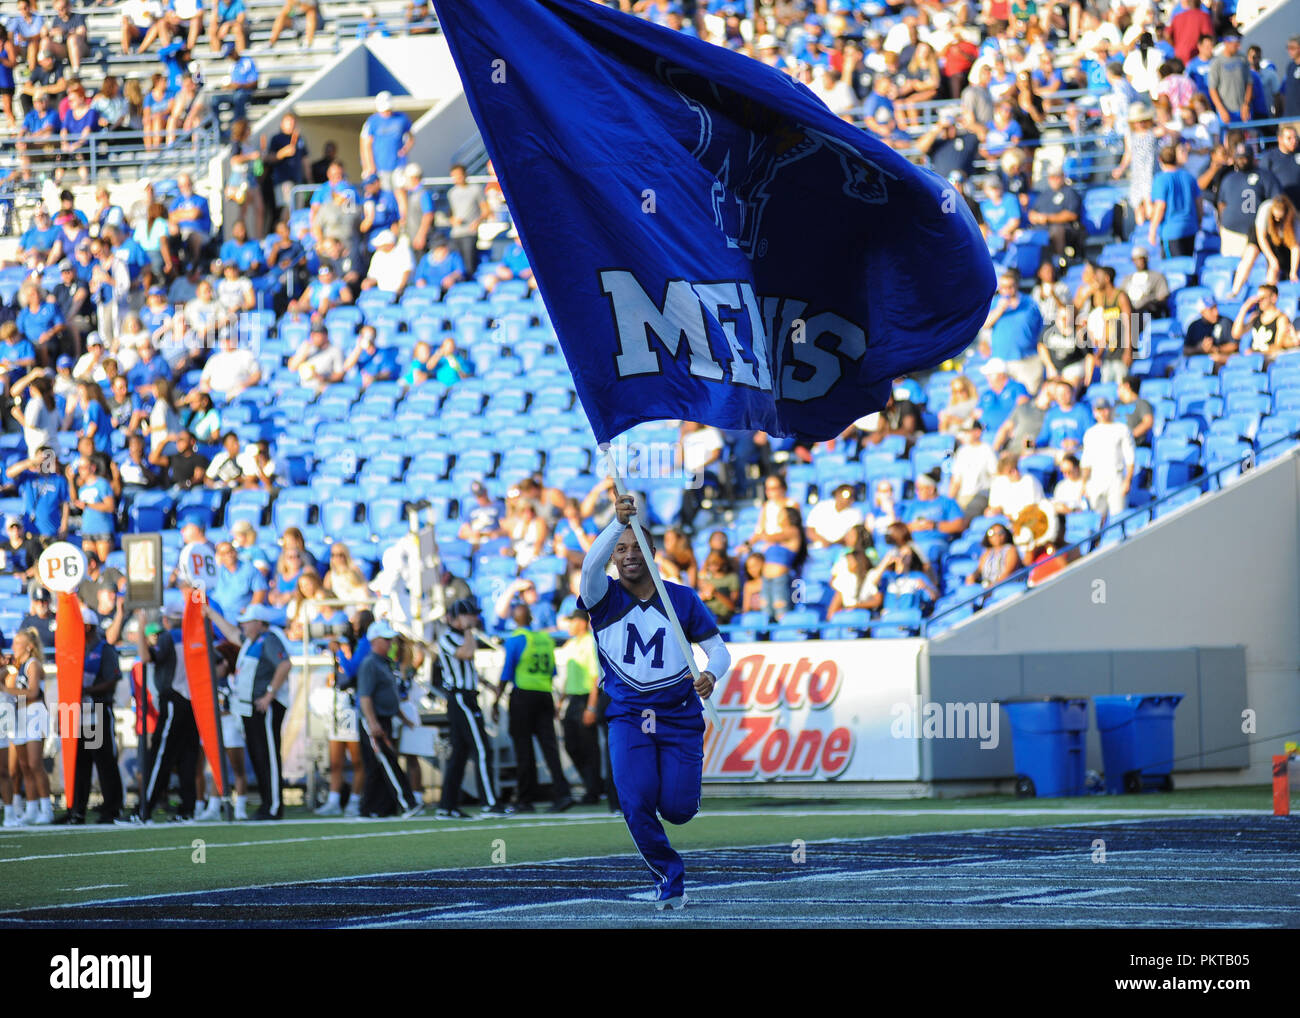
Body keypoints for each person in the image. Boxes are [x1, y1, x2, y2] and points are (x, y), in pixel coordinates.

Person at [577, 493, 729, 909]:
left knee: (678, 810)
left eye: (635, 546)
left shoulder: (681, 598)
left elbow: (719, 650)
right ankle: (669, 876)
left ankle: (678, 811)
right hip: (628, 716)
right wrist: (615, 523)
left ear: (653, 552)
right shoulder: (602, 596)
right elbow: (589, 566)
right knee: (636, 798)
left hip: (680, 717)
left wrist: (711, 674)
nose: (627, 555)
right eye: (619, 549)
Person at [204, 602, 290, 820]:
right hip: (251, 708)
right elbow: (231, 633)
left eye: (247, 622)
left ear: (259, 623)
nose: (242, 626)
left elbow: (284, 665)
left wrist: (270, 694)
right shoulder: (252, 641)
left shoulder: (268, 639)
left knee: (268, 756)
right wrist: (212, 613)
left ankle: (273, 806)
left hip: (265, 706)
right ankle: (266, 804)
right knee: (259, 756)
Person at [492, 601, 571, 813]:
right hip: (544, 695)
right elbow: (553, 672)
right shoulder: (545, 639)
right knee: (549, 747)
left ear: (515, 620)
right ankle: (562, 794)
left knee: (523, 748)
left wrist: (495, 700)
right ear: (531, 618)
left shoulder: (516, 639)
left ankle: (525, 799)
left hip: (523, 696)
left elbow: (507, 672)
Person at [434, 598, 505, 818]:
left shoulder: (460, 637)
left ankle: (447, 806)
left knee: (460, 754)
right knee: (482, 749)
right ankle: (489, 803)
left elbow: (468, 667)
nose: (474, 618)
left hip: (466, 696)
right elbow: (466, 654)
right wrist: (468, 631)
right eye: (470, 615)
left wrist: (486, 684)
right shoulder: (447, 638)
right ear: (457, 618)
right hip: (460, 698)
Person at [127, 609, 199, 824]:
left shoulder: (168, 637)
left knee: (159, 756)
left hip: (174, 699)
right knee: (187, 759)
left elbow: (147, 657)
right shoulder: (195, 635)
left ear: (166, 620)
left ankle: (145, 810)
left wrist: (140, 627)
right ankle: (187, 810)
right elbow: (219, 664)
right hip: (193, 701)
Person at [56, 606, 123, 823]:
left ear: (87, 626)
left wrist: (86, 691)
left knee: (104, 763)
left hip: (97, 713)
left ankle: (112, 808)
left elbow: (112, 680)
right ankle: (76, 810)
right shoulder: (74, 649)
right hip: (77, 713)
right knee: (79, 763)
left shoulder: (104, 649)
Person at [353, 620, 419, 818]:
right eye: (386, 640)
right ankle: (407, 802)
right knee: (387, 761)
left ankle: (375, 808)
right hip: (374, 720)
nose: (390, 644)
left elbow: (390, 696)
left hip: (384, 718)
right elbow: (365, 697)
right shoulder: (370, 664)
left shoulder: (385, 664)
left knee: (376, 765)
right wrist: (372, 723)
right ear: (375, 640)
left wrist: (403, 718)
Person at [557, 608, 602, 805]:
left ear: (582, 623)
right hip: (574, 699)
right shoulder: (571, 645)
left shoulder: (590, 642)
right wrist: (562, 699)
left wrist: (591, 707)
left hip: (586, 698)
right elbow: (569, 676)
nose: (569, 625)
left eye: (572, 621)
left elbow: (595, 677)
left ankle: (593, 791)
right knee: (571, 745)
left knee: (588, 747)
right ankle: (593, 785)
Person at [1079, 398, 1135, 517]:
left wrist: (1127, 480)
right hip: (1095, 478)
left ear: (1111, 410)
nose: (1102, 413)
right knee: (1097, 517)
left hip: (1115, 476)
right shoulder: (1090, 433)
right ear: (1094, 412)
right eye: (1099, 410)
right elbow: (1086, 462)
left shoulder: (1121, 429)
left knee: (1118, 516)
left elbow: (1130, 457)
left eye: (1105, 409)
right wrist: (1083, 484)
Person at [1231, 285, 1298, 361]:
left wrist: (1257, 352)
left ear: (1273, 298)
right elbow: (1236, 334)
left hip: (1268, 359)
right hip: (1255, 357)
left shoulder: (1281, 318)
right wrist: (1244, 308)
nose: (1259, 301)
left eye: (1262, 298)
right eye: (1258, 298)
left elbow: (1278, 346)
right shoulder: (1255, 317)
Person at [968, 522, 1022, 587]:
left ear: (1006, 534)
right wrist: (972, 576)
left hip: (1005, 585)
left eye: (1000, 532)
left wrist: (994, 585)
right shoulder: (987, 552)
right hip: (987, 585)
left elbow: (1008, 571)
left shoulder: (1011, 549)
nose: (997, 536)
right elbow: (979, 569)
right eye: (992, 533)